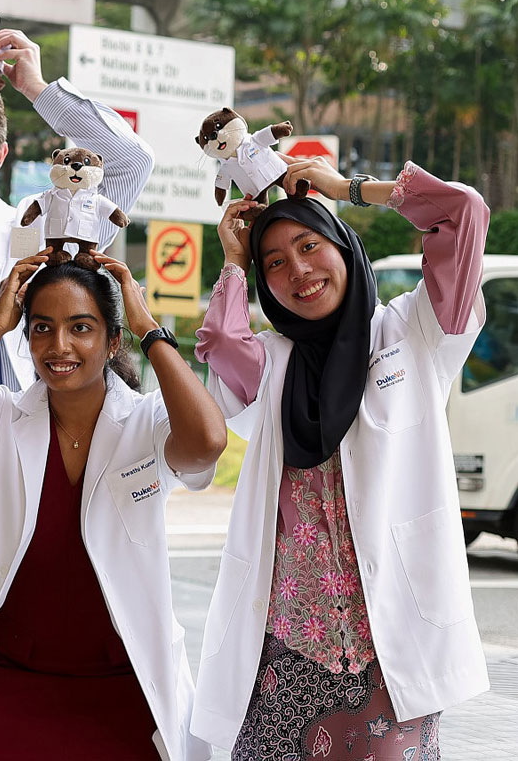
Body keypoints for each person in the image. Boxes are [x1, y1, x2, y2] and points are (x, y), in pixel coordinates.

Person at [0, 29, 155, 760]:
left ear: (1, 154)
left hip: (36, 470)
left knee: (34, 672)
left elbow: (132, 159)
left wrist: (37, 88)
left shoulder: (43, 230)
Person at [192, 158, 490, 761]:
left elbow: (463, 212)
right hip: (284, 651)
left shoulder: (416, 332)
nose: (298, 270)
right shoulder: (272, 360)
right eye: (274, 262)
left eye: (309, 245)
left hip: (389, 651)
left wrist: (348, 189)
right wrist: (232, 258)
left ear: (344, 248)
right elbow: (221, 342)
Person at [0, 253, 224, 760]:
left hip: (124, 687)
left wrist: (147, 327)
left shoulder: (145, 422)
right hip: (13, 680)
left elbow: (207, 441)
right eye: (41, 328)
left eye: (81, 328)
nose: (59, 347)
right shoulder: (3, 415)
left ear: (112, 339)